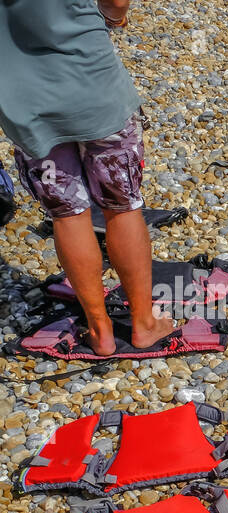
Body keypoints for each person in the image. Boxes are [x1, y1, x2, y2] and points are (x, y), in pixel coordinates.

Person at [0, 0, 173, 356]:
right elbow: (116, 2)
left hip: (21, 99)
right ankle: (143, 323)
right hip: (92, 82)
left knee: (67, 214)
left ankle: (100, 331)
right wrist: (114, 17)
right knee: (122, 206)